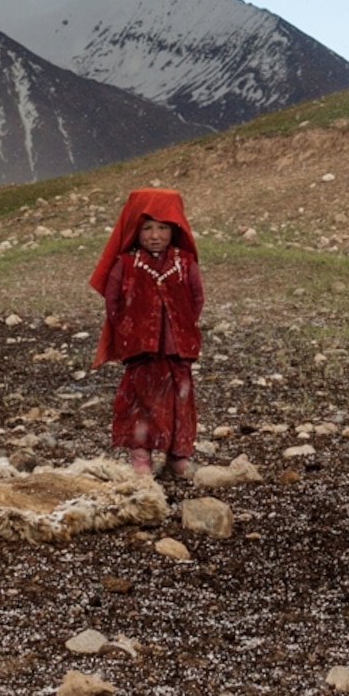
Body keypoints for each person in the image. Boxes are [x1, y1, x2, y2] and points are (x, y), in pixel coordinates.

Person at [90, 187, 204, 478]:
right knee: (141, 401)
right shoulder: (126, 264)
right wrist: (130, 332)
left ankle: (178, 456)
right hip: (141, 352)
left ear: (174, 229)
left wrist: (181, 329)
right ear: (135, 232)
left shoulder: (185, 263)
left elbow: (195, 300)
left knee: (180, 399)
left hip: (177, 350)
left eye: (163, 228)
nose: (155, 235)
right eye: (148, 228)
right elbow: (113, 302)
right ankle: (141, 457)